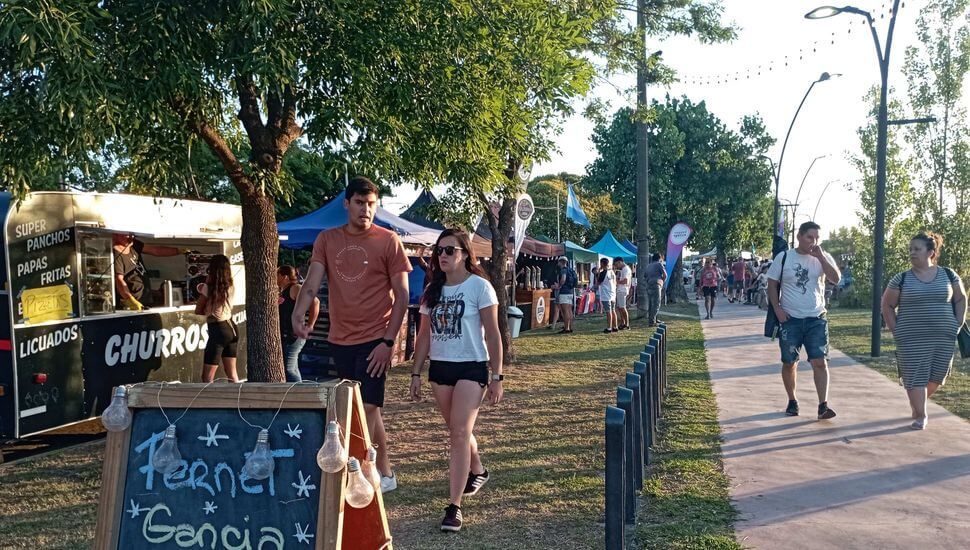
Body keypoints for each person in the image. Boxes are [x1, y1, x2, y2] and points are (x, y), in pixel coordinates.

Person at [291, 176, 411, 493]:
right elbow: (313, 282)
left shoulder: (389, 241)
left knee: (365, 408)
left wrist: (389, 341)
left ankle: (358, 472)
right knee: (368, 407)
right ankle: (386, 474)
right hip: (341, 338)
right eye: (359, 203)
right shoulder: (327, 239)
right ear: (347, 204)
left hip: (376, 338)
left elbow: (402, 295)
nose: (365, 210)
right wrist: (297, 311)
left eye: (371, 204)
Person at [409, 229, 503, 532]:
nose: (443, 256)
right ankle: (478, 469)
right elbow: (423, 336)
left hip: (471, 367)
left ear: (465, 253)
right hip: (441, 369)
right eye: (439, 251)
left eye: (450, 250)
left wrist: (496, 376)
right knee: (457, 429)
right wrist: (416, 373)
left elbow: (493, 333)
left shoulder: (480, 287)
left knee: (459, 433)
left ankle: (454, 507)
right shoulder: (432, 291)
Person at [881, 232, 967, 430]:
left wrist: (958, 322)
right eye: (910, 249)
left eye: (917, 249)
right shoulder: (900, 279)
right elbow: (887, 305)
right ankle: (921, 414)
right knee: (915, 375)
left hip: (944, 335)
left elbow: (960, 298)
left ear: (931, 252)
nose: (912, 253)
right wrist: (896, 330)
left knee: (938, 376)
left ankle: (916, 402)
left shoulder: (948, 274)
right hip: (911, 337)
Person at [766, 221, 841, 420]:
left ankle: (823, 405)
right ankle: (792, 400)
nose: (813, 242)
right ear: (799, 236)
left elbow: (836, 279)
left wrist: (822, 258)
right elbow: (772, 285)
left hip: (816, 318)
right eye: (810, 237)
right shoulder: (784, 258)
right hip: (790, 319)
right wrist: (778, 309)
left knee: (820, 361)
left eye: (817, 238)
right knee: (790, 362)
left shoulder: (822, 257)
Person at [197, 255, 239, 383]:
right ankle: (239, 400)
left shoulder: (208, 288)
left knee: (207, 377)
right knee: (232, 374)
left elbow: (198, 310)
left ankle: (209, 402)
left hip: (217, 329)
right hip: (232, 327)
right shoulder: (230, 286)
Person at [113, 233, 183, 310]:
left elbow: (156, 250)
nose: (131, 237)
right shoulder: (115, 254)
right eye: (126, 235)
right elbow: (119, 280)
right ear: (116, 235)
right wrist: (130, 300)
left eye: (132, 234)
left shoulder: (134, 244)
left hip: (146, 299)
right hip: (133, 305)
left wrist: (178, 251)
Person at [277, 265, 320, 383]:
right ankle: (299, 391)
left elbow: (315, 302)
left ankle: (298, 394)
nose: (275, 278)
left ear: (285, 276)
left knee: (289, 369)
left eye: (277, 275)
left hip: (294, 335)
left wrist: (310, 325)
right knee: (292, 367)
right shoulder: (283, 291)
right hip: (286, 335)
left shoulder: (295, 288)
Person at [555, 256, 577, 334]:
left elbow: (563, 279)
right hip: (570, 292)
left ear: (561, 262)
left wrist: (559, 285)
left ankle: (566, 328)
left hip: (564, 291)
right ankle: (570, 327)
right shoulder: (571, 270)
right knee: (569, 310)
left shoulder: (563, 270)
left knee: (565, 311)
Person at [643, 253, 666, 326]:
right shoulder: (659, 264)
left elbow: (645, 276)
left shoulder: (648, 266)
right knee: (656, 303)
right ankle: (652, 321)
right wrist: (662, 281)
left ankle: (654, 319)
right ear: (659, 258)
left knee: (651, 304)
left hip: (649, 285)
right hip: (656, 284)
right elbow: (665, 275)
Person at [597, 257, 617, 333]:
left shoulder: (603, 273)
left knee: (608, 311)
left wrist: (598, 272)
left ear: (602, 264)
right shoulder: (612, 272)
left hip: (606, 294)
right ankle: (615, 326)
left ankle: (609, 327)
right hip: (612, 293)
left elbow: (598, 282)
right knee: (613, 310)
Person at [614, 257, 633, 330]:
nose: (617, 267)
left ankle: (627, 324)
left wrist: (616, 282)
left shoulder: (625, 269)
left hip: (622, 290)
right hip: (620, 290)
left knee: (622, 307)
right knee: (619, 307)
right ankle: (623, 322)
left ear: (620, 262)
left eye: (616, 264)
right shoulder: (624, 269)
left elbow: (625, 281)